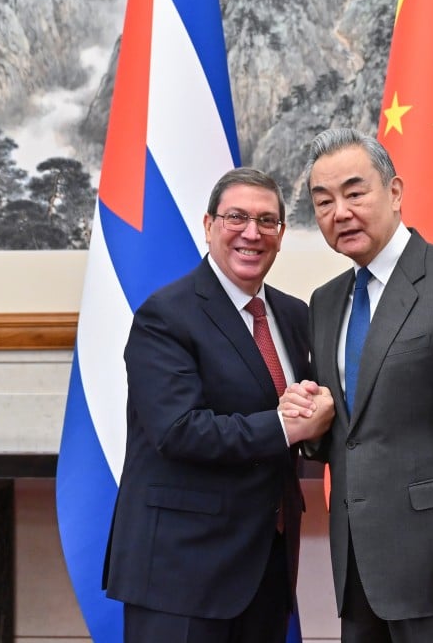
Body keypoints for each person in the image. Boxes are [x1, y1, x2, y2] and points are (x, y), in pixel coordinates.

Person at [293, 128, 433, 642]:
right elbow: (348, 432)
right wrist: (309, 425)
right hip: (356, 566)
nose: (340, 212)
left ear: (395, 192)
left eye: (355, 193)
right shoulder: (326, 302)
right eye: (323, 201)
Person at [103, 167, 336, 643]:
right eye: (237, 217)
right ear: (208, 226)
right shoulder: (166, 316)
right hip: (181, 573)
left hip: (266, 568)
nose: (252, 233)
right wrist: (286, 428)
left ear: (281, 234)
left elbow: (307, 412)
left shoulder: (294, 315)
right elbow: (178, 430)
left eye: (267, 221)